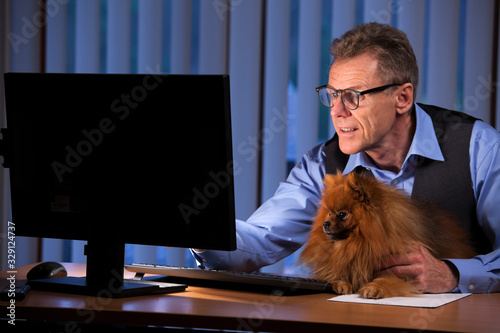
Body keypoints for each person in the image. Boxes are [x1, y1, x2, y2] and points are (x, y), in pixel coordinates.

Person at [192, 22, 500, 294]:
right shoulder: (321, 164)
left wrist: (451, 274)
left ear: (402, 98)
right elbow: (259, 241)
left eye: (353, 96)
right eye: (332, 94)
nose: (337, 111)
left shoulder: (477, 147)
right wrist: (200, 229)